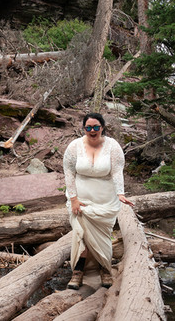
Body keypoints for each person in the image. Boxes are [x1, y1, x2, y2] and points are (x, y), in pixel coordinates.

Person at [63, 112, 134, 290]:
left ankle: (105, 268)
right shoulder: (74, 147)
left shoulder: (113, 146)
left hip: (106, 200)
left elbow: (117, 171)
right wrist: (73, 199)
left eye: (96, 127)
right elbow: (69, 173)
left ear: (102, 127)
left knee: (103, 236)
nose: (92, 130)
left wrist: (120, 193)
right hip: (81, 199)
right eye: (88, 127)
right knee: (81, 234)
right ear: (84, 128)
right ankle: (78, 272)